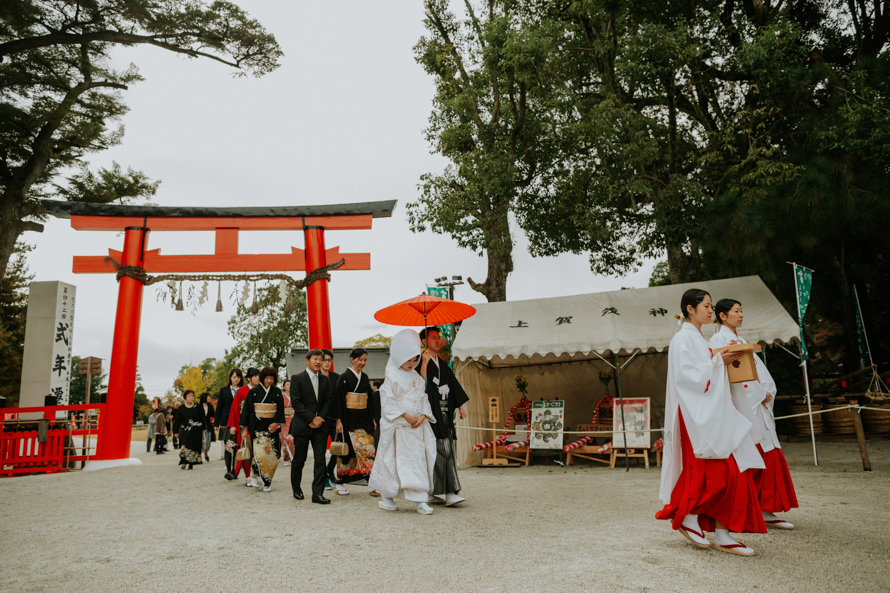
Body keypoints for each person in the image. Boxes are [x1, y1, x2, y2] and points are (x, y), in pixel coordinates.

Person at [655, 289, 767, 556]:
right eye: (706, 305)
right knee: (719, 472)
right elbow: (687, 377)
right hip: (696, 416)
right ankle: (693, 516)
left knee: (733, 471)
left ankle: (720, 531)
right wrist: (719, 361)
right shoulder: (683, 338)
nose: (710, 310)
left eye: (710, 305)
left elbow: (705, 371)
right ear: (690, 309)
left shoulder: (699, 338)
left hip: (711, 413)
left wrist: (720, 361)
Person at [710, 298, 798, 529]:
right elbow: (733, 377)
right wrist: (760, 393)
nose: (740, 315)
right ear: (722, 315)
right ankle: (754, 509)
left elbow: (758, 371)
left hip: (757, 403)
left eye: (741, 311)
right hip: (745, 404)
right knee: (753, 453)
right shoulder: (719, 339)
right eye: (736, 311)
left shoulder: (739, 339)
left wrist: (767, 390)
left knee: (768, 451)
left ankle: (767, 508)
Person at [368, 329, 437, 514]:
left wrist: (422, 416)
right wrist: (405, 415)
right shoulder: (391, 376)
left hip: (416, 428)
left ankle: (421, 499)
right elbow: (388, 400)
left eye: (415, 359)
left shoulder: (416, 377)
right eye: (408, 359)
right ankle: (387, 496)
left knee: (417, 461)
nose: (411, 363)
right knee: (393, 462)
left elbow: (423, 398)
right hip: (399, 427)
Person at [418, 326, 469, 506]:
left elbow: (453, 384)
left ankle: (431, 491)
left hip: (445, 411)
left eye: (438, 337)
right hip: (431, 413)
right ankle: (450, 492)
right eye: (433, 338)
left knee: (442, 451)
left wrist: (460, 405)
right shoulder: (420, 361)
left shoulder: (442, 363)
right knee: (439, 451)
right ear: (424, 342)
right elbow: (419, 385)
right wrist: (423, 364)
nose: (438, 340)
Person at [330, 348, 378, 495]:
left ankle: (372, 484)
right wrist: (338, 421)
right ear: (352, 359)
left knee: (369, 450)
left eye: (365, 360)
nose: (362, 363)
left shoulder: (364, 378)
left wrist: (373, 418)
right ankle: (340, 484)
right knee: (347, 453)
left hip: (363, 418)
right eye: (360, 360)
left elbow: (369, 400)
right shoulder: (343, 377)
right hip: (348, 419)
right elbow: (337, 400)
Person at [290, 349, 334, 504]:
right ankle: (296, 488)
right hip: (303, 425)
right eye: (315, 359)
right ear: (307, 360)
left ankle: (318, 494)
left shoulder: (324, 380)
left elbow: (328, 401)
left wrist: (320, 418)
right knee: (299, 459)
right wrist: (311, 418)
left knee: (320, 460)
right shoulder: (297, 378)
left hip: (320, 426)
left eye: (321, 359)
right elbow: (296, 402)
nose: (318, 362)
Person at [240, 366, 285, 492]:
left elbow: (280, 410)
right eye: (267, 378)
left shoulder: (276, 392)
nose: (269, 381)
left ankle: (258, 476)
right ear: (262, 378)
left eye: (272, 378)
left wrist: (276, 423)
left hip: (272, 428)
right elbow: (247, 412)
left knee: (273, 456)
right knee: (260, 455)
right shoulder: (253, 392)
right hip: (258, 427)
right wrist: (244, 430)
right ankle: (264, 480)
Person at [228, 368, 260, 486]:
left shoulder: (261, 390)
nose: (257, 378)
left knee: (258, 451)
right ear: (248, 378)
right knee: (247, 450)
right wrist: (232, 425)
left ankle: (256, 475)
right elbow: (234, 408)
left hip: (258, 424)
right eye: (254, 376)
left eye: (258, 376)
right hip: (244, 425)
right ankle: (248, 477)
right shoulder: (241, 391)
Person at [321, 348, 341, 491]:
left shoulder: (336, 378)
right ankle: (324, 477)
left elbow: (340, 401)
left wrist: (340, 420)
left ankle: (330, 469)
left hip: (334, 418)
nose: (327, 363)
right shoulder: (315, 377)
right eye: (324, 360)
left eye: (329, 360)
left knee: (337, 448)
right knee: (320, 450)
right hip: (320, 420)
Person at [176, 390, 210, 470]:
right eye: (189, 396)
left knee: (194, 447)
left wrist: (204, 428)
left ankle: (191, 462)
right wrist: (175, 432)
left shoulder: (198, 406)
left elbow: (202, 418)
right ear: (185, 398)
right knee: (185, 446)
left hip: (196, 430)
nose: (191, 398)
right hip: (186, 430)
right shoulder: (181, 408)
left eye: (192, 396)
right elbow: (177, 420)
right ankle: (184, 461)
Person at [216, 368, 243, 467]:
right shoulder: (224, 390)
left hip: (239, 421)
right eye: (234, 377)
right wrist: (216, 423)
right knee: (228, 446)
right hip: (226, 421)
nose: (236, 379)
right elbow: (219, 407)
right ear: (230, 378)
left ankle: (235, 468)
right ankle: (228, 469)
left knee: (237, 446)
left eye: (238, 377)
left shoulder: (243, 390)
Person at [199, 392, 216, 463]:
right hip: (200, 426)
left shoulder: (210, 406)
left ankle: (206, 452)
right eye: (208, 397)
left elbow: (213, 415)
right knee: (201, 441)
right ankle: (199, 456)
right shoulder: (198, 406)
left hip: (208, 425)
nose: (209, 398)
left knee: (208, 441)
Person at [280, 379, 294, 467]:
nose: (289, 386)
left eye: (290, 384)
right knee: (285, 439)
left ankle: (293, 457)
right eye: (287, 384)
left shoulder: (295, 396)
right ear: (284, 387)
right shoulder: (282, 396)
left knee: (293, 439)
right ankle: (286, 458)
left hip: (293, 419)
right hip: (284, 420)